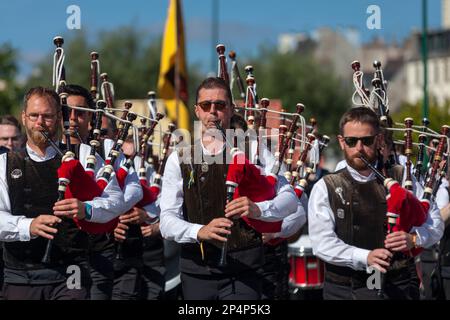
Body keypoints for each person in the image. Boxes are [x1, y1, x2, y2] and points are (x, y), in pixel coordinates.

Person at [159, 77, 299, 300]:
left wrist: (259, 209)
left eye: (220, 105)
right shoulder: (180, 158)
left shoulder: (254, 150)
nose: (213, 112)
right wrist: (199, 231)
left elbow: (291, 201)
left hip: (245, 271)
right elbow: (166, 221)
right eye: (206, 105)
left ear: (231, 109)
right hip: (197, 271)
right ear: (197, 111)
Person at [0, 87, 127, 300]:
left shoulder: (84, 154)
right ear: (24, 117)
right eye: (34, 115)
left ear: (59, 118)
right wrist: (27, 226)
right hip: (21, 274)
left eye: (48, 116)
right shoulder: (5, 163)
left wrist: (86, 209)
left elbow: (115, 201)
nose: (40, 122)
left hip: (71, 270)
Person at [308, 106, 444, 300]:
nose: (359, 148)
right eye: (351, 141)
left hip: (397, 287)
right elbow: (322, 242)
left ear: (379, 140)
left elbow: (435, 223)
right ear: (341, 142)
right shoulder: (326, 186)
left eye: (367, 140)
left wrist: (414, 239)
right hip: (344, 290)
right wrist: (365, 257)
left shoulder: (402, 176)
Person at [63, 84, 143, 300]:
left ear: (90, 120)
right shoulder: (50, 151)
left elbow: (134, 190)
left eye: (80, 112)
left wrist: (111, 214)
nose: (72, 118)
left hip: (102, 248)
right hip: (64, 252)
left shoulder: (108, 148)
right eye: (66, 111)